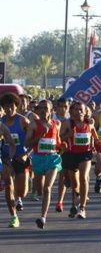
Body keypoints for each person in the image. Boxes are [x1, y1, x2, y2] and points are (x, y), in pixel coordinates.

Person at [60, 101, 101, 219]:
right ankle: (78, 194)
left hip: (85, 155)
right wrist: (69, 135)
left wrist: (97, 140)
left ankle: (82, 208)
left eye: (81, 110)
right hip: (71, 155)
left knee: (84, 178)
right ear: (71, 112)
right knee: (74, 184)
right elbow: (59, 139)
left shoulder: (89, 123)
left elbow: (93, 132)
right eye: (76, 109)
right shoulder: (67, 124)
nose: (79, 112)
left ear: (85, 112)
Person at [24, 99, 63, 229]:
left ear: (51, 110)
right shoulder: (33, 125)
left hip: (52, 158)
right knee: (40, 191)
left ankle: (43, 217)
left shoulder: (56, 124)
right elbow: (27, 144)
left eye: (45, 108)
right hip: (38, 159)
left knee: (47, 188)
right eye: (40, 108)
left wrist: (62, 145)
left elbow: (57, 143)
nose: (42, 110)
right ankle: (45, 195)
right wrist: (39, 136)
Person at [1, 93, 30, 228]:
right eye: (6, 107)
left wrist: (27, 153)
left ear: (16, 106)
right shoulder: (1, 122)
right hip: (7, 156)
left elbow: (33, 140)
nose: (9, 110)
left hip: (21, 157)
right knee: (8, 184)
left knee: (22, 192)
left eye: (12, 106)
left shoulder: (23, 121)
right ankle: (13, 216)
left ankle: (19, 197)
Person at [52, 97, 70, 212]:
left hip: (67, 151)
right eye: (61, 106)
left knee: (62, 177)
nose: (63, 109)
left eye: (66, 107)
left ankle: (60, 202)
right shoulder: (51, 117)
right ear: (57, 107)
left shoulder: (71, 118)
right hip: (51, 150)